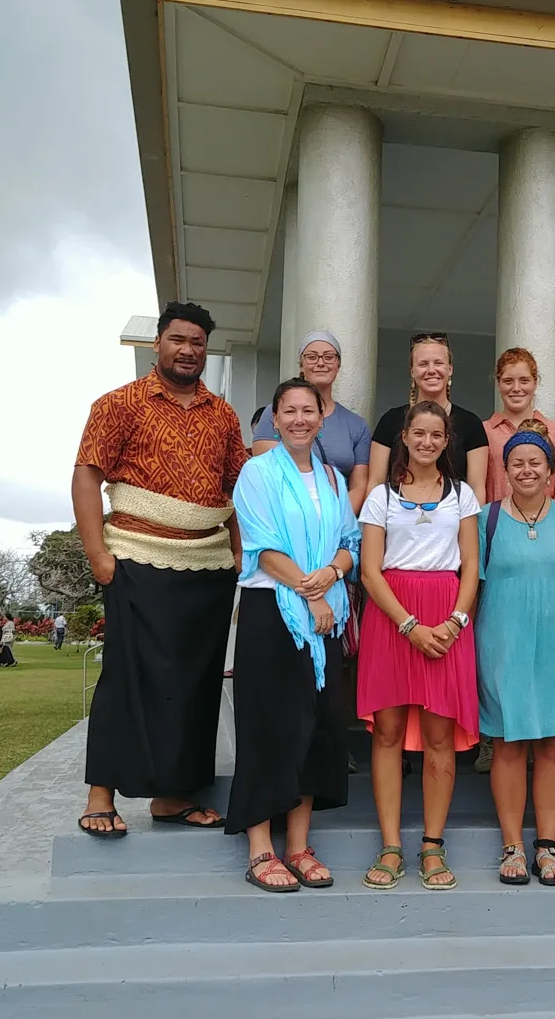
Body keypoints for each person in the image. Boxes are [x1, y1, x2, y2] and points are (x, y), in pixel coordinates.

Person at [74, 300, 247, 837]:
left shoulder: (223, 414)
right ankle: (101, 794)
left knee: (194, 684)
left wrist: (240, 559)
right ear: (158, 343)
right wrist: (99, 556)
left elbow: (237, 490)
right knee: (126, 677)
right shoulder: (118, 403)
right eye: (178, 339)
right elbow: (86, 478)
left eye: (197, 343)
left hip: (208, 566)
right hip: (135, 558)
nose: (188, 350)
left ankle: (173, 796)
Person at [229, 378, 361, 891]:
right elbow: (261, 546)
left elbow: (349, 541)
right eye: (290, 411)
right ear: (275, 420)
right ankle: (261, 847)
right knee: (268, 726)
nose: (300, 419)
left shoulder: (331, 477)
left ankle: (299, 845)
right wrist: (313, 594)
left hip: (325, 614)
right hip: (274, 612)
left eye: (309, 410)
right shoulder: (257, 472)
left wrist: (330, 577)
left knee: (317, 727)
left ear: (321, 419)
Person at [358, 400, 481, 890]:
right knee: (387, 734)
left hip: (446, 616)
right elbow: (370, 569)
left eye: (437, 434)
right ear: (404, 438)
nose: (428, 442)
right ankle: (390, 845)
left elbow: (470, 564)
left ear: (446, 440)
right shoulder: (380, 498)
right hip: (393, 617)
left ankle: (432, 845)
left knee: (438, 737)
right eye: (419, 433)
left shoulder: (462, 496)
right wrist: (409, 625)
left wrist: (455, 620)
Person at [476, 420, 555, 886]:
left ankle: (547, 845)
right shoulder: (487, 519)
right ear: (505, 470)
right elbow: (472, 584)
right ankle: (512, 846)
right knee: (508, 742)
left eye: (535, 463)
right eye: (516, 463)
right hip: (504, 640)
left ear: (551, 469)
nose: (526, 470)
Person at [253, 330, 372, 515]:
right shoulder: (274, 413)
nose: (320, 363)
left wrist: (337, 522)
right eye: (312, 357)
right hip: (287, 516)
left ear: (338, 364)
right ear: (301, 364)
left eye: (329, 357)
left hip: (338, 520)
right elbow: (268, 473)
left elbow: (359, 485)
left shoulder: (357, 425)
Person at [368, 333, 488, 498]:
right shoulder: (390, 421)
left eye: (438, 363)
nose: (431, 370)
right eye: (423, 364)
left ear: (450, 369)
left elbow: (477, 488)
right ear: (412, 371)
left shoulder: (471, 424)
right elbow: (375, 483)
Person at [482, 348, 555, 505]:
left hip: (547, 525)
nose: (516, 388)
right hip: (498, 524)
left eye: (524, 380)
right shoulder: (484, 431)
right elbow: (478, 488)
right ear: (498, 384)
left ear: (535, 383)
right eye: (508, 381)